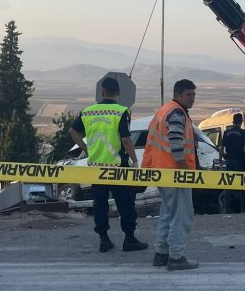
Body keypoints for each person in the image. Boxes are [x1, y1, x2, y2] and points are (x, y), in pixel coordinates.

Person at [72, 77, 147, 253]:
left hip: (97, 168)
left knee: (100, 204)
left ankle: (103, 240)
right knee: (126, 203)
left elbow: (73, 131)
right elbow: (126, 140)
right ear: (118, 93)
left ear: (102, 92)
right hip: (118, 167)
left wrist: (87, 150)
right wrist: (135, 162)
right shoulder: (122, 111)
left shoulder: (88, 112)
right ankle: (129, 239)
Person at [143, 79, 199, 270]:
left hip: (162, 171)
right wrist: (185, 170)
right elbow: (176, 145)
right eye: (188, 94)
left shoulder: (164, 110)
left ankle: (161, 254)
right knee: (182, 215)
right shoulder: (177, 113)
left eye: (193, 94)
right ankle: (176, 257)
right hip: (175, 173)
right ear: (177, 95)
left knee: (168, 213)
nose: (192, 98)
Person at [221, 112, 245, 213]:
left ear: (233, 121)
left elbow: (221, 149)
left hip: (229, 162)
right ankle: (244, 208)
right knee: (243, 185)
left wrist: (224, 159)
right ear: (241, 122)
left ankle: (227, 208)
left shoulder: (227, 132)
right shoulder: (243, 133)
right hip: (240, 162)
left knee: (228, 185)